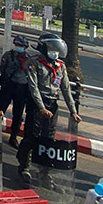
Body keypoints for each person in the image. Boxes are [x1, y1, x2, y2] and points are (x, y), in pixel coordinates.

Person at [17, 33, 81, 188]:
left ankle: (44, 173)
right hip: (37, 105)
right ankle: (24, 167)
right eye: (52, 49)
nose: (55, 52)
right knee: (31, 137)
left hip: (53, 105)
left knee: (48, 140)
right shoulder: (34, 63)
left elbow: (65, 88)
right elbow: (33, 87)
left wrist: (73, 111)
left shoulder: (60, 66)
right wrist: (41, 108)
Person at [0, 35, 32, 148]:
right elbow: (2, 69)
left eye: (21, 46)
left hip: (22, 89)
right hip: (8, 86)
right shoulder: (8, 55)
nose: (19, 47)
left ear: (25, 47)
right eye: (17, 45)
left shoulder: (29, 59)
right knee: (0, 110)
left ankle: (13, 137)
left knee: (18, 114)